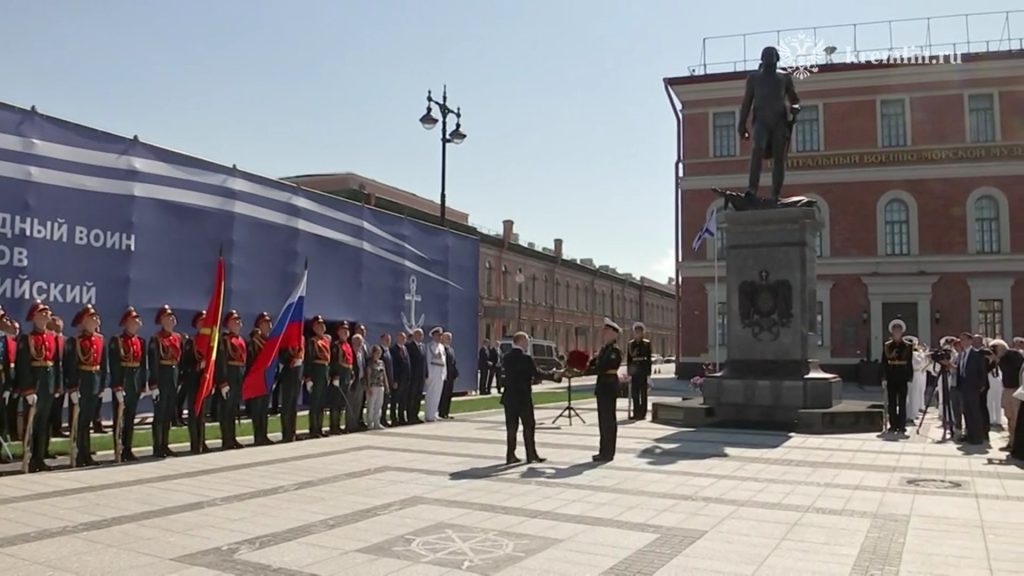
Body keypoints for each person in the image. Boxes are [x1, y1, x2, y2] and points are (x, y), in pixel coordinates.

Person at [16, 301, 61, 472]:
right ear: (34, 317)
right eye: (42, 313)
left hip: (47, 385)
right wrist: (27, 389)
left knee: (43, 423)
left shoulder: (52, 337)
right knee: (31, 423)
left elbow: (56, 364)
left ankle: (39, 458)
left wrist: (57, 386)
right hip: (34, 385)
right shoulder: (27, 339)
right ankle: (28, 457)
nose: (46, 315)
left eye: (47, 313)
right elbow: (23, 366)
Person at [65, 304, 107, 467]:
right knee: (79, 421)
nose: (96, 320)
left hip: (94, 383)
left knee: (88, 420)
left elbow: (103, 365)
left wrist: (102, 385)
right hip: (82, 382)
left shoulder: (100, 339)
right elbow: (70, 366)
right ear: (84, 321)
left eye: (96, 317)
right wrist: (73, 387)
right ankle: (78, 453)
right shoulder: (75, 341)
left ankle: (86, 452)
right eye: (92, 317)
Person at [500, 331, 545, 465]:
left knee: (511, 428)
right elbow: (537, 373)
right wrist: (554, 375)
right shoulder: (526, 358)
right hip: (523, 397)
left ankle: (510, 455)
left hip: (509, 397)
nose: (527, 344)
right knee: (529, 426)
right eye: (526, 341)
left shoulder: (506, 357)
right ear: (521, 341)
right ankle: (531, 454)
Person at [109, 306, 147, 462]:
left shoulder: (140, 341)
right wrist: (117, 386)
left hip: (134, 383)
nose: (137, 322)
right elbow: (115, 364)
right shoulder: (117, 341)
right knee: (120, 418)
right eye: (134, 320)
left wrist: (142, 384)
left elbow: (142, 365)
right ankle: (118, 448)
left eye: (138, 319)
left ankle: (128, 448)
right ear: (126, 322)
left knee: (130, 418)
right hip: (123, 382)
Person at [148, 305, 182, 458]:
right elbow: (154, 362)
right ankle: (157, 446)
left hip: (172, 378)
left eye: (172, 317)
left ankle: (165, 444)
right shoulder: (156, 339)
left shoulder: (178, 337)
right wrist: (154, 384)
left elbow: (178, 361)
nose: (171, 319)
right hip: (161, 378)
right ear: (161, 320)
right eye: (168, 317)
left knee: (168, 413)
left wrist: (178, 379)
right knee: (159, 414)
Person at [216, 310, 246, 450]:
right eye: (235, 321)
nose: (238, 323)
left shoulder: (241, 340)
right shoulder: (224, 340)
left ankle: (233, 438)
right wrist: (223, 382)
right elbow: (221, 362)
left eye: (239, 321)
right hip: (229, 376)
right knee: (226, 410)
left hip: (239, 376)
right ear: (228, 324)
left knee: (234, 409)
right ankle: (226, 439)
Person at [594, 318, 623, 462]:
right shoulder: (604, 349)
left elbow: (605, 366)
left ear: (614, 333)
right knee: (602, 420)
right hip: (602, 386)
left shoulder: (615, 351)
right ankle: (603, 450)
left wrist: (588, 370)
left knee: (608, 421)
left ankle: (608, 452)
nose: (604, 333)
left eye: (606, 331)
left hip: (609, 386)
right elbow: (594, 364)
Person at [181, 310, 210, 454]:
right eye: (201, 322)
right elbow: (185, 364)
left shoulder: (211, 342)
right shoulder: (191, 342)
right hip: (193, 381)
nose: (204, 324)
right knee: (194, 413)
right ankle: (194, 443)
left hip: (205, 381)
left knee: (203, 413)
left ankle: (202, 442)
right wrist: (198, 367)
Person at [956, 331, 988, 445]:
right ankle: (969, 434)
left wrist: (981, 384)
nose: (962, 342)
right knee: (966, 411)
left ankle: (977, 436)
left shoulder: (976, 354)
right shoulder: (962, 354)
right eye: (961, 340)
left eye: (964, 339)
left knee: (974, 411)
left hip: (973, 386)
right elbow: (960, 369)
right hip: (963, 385)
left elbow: (982, 370)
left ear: (970, 341)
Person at [881, 319, 912, 436]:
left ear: (902, 332)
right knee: (892, 402)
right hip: (891, 375)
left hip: (903, 376)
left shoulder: (908, 346)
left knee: (903, 402)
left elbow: (909, 362)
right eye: (895, 331)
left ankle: (902, 425)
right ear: (892, 332)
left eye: (899, 331)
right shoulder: (887, 346)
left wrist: (910, 377)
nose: (897, 333)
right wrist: (883, 377)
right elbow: (884, 362)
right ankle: (893, 425)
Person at [247, 312, 274, 446]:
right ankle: (258, 436)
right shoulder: (254, 342)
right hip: (257, 379)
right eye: (265, 323)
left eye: (269, 323)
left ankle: (264, 434)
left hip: (267, 379)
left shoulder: (270, 342)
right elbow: (251, 361)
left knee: (264, 408)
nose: (268, 325)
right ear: (259, 325)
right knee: (257, 408)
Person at [992, 339, 1023, 452]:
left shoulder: (1014, 355)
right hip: (1006, 389)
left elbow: (1011, 369)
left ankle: (1016, 443)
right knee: (1008, 416)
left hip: (1015, 389)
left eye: (995, 349)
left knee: (1015, 418)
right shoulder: (1000, 358)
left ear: (1001, 348)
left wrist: (998, 360)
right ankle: (1011, 441)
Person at [304, 315, 331, 438]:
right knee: (315, 402)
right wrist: (308, 378)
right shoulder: (312, 341)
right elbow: (309, 359)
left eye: (322, 325)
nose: (321, 327)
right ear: (314, 328)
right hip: (316, 372)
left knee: (322, 402)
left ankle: (320, 427)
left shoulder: (325, 340)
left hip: (324, 371)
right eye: (318, 325)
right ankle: (313, 428)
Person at [278, 329, 304, 443]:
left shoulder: (301, 339)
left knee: (294, 406)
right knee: (287, 406)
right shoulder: (285, 338)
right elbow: (282, 356)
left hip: (297, 376)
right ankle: (286, 433)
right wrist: (291, 361)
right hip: (288, 375)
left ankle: (292, 432)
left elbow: (303, 356)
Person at [328, 321, 353, 435]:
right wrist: (335, 376)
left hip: (346, 375)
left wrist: (351, 374)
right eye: (343, 330)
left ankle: (339, 424)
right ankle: (333, 426)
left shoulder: (348, 345)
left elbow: (350, 361)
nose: (345, 332)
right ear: (338, 332)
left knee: (342, 402)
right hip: (339, 375)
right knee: (335, 402)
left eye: (347, 330)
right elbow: (333, 362)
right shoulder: (335, 345)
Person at [46, 315, 67, 441]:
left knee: (58, 406)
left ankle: (57, 428)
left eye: (59, 321)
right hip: (51, 377)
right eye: (54, 321)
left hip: (62, 378)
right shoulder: (49, 339)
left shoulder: (65, 340)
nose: (57, 323)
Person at [627, 322, 653, 420]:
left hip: (643, 370)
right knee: (635, 393)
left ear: (643, 333)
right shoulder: (630, 344)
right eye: (636, 331)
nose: (637, 333)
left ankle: (643, 413)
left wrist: (648, 372)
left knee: (643, 393)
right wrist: (629, 372)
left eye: (639, 332)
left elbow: (649, 358)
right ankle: (636, 412)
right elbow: (629, 359)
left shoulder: (646, 343)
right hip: (634, 371)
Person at [424, 327, 447, 422]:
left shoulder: (442, 347)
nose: (439, 337)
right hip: (432, 373)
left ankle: (434, 413)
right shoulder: (429, 346)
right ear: (433, 335)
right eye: (438, 335)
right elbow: (428, 360)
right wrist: (428, 374)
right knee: (430, 394)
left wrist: (444, 373)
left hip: (439, 373)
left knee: (437, 394)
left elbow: (444, 361)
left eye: (440, 335)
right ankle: (428, 414)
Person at [346, 333, 367, 433]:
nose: (359, 344)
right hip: (352, 381)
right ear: (353, 342)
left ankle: (355, 424)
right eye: (357, 342)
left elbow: (363, 367)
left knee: (358, 404)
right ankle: (350, 425)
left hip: (361, 380)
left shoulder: (361, 353)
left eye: (360, 342)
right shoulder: (350, 351)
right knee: (351, 403)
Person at [405, 328, 426, 424]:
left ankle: (415, 415)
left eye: (421, 335)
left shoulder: (422, 347)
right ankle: (410, 416)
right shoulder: (409, 346)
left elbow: (424, 362)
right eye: (418, 335)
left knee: (418, 397)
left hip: (421, 376)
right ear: (414, 335)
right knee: (411, 397)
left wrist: (426, 373)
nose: (420, 337)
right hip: (413, 376)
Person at [390, 331, 411, 425]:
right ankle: (394, 419)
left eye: (404, 338)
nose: (403, 339)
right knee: (395, 400)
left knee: (403, 400)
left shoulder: (405, 348)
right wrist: (394, 380)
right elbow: (393, 366)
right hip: (397, 379)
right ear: (397, 338)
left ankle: (402, 417)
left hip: (405, 379)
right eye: (401, 338)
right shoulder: (393, 350)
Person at [905, 335, 927, 425]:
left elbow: (922, 363)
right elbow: (918, 362)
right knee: (909, 396)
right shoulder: (909, 354)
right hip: (910, 375)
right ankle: (909, 415)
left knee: (915, 395)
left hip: (916, 374)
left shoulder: (916, 354)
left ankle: (912, 414)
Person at [365, 345, 387, 430]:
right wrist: (369, 387)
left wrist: (386, 385)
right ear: (373, 353)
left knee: (379, 404)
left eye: (379, 353)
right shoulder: (370, 363)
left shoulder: (381, 362)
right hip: (373, 386)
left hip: (380, 385)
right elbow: (368, 375)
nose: (378, 354)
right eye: (377, 353)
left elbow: (384, 374)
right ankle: (370, 423)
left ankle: (377, 422)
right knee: (371, 405)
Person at [439, 331, 458, 419]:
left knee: (449, 395)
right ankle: (441, 412)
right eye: (447, 338)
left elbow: (453, 363)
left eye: (450, 338)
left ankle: (446, 412)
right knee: (443, 394)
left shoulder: (451, 349)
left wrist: (455, 374)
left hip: (451, 376)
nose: (449, 340)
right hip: (444, 376)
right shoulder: (442, 349)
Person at [379, 333, 395, 427]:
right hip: (382, 381)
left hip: (389, 380)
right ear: (381, 339)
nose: (388, 341)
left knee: (386, 402)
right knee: (381, 402)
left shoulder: (388, 351)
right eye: (386, 339)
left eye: (389, 340)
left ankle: (384, 419)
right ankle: (380, 419)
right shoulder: (380, 351)